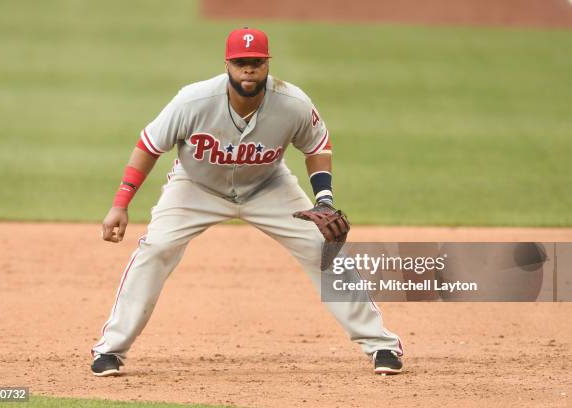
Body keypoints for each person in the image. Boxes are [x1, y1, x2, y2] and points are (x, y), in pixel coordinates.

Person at [90, 27, 403, 377]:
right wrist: (120, 203)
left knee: (323, 247)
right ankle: (111, 350)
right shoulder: (192, 101)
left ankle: (382, 345)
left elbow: (317, 146)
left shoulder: (293, 102)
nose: (248, 70)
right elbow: (149, 145)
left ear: (268, 64)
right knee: (156, 247)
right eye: (241, 63)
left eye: (256, 62)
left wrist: (324, 200)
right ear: (227, 64)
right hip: (195, 186)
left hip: (268, 186)